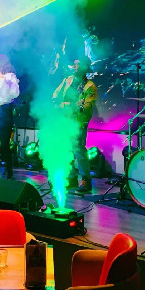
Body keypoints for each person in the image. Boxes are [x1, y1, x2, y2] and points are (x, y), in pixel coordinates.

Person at [53, 56, 97, 193]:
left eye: (78, 64)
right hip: (65, 120)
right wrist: (61, 102)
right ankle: (71, 179)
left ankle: (86, 180)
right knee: (67, 149)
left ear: (85, 67)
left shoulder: (90, 86)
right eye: (75, 64)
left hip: (78, 122)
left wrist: (65, 105)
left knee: (79, 151)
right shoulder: (67, 80)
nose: (75, 66)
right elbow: (56, 94)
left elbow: (84, 107)